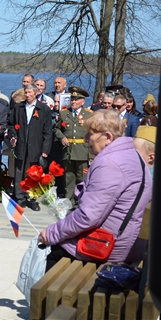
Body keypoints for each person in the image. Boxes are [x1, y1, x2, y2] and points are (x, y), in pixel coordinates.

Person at [39, 110, 152, 271]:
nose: (85, 140)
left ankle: (45, 296)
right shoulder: (133, 155)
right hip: (129, 242)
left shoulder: (109, 163)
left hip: (109, 247)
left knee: (53, 250)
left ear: (108, 137)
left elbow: (88, 216)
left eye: (90, 134)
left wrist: (51, 233)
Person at [8, 84, 52, 211]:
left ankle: (32, 199)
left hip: (36, 145)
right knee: (19, 171)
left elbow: (47, 131)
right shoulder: (18, 108)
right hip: (21, 144)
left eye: (29, 93)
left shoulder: (44, 109)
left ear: (36, 93)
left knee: (34, 173)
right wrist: (13, 136)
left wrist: (45, 149)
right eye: (25, 92)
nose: (27, 95)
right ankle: (19, 197)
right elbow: (11, 125)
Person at [53, 86, 93, 200]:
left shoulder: (89, 115)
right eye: (72, 99)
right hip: (68, 151)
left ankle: (81, 202)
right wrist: (62, 137)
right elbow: (56, 129)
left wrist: (91, 155)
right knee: (68, 179)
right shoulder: (64, 113)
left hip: (82, 151)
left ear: (83, 101)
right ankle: (69, 203)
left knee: (82, 179)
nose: (73, 102)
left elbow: (93, 134)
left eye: (76, 99)